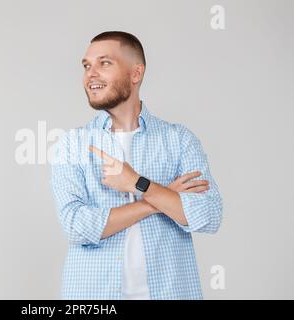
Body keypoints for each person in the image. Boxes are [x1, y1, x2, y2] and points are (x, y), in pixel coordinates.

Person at [50, 31, 223, 300]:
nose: (90, 74)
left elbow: (208, 216)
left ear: (135, 73)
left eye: (104, 63)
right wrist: (160, 197)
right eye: (86, 65)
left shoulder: (178, 140)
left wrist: (137, 183)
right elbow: (76, 226)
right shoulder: (72, 145)